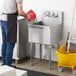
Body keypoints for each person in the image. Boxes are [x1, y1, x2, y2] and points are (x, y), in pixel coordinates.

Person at [0, 0, 30, 66]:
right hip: (10, 19)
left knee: (5, 42)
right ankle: (8, 65)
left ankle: (4, 64)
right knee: (10, 43)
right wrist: (27, 15)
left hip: (2, 18)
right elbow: (20, 12)